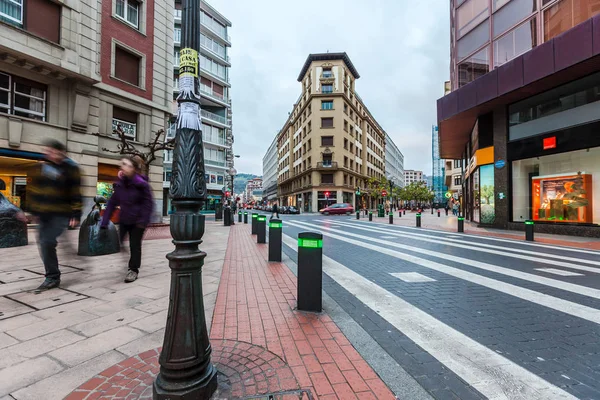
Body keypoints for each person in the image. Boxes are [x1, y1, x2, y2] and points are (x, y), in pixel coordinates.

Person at [27, 139, 82, 291]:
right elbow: (34, 190)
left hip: (61, 213)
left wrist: (76, 214)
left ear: (61, 152)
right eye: (46, 151)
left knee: (47, 242)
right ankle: (56, 268)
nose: (48, 154)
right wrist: (33, 211)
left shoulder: (71, 169)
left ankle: (52, 277)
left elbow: (75, 193)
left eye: (51, 151)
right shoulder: (43, 167)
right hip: (44, 213)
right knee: (44, 243)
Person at [101, 156, 154, 283]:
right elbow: (112, 203)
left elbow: (148, 204)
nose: (122, 167)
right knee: (119, 242)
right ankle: (131, 261)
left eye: (125, 164)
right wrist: (104, 221)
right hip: (124, 219)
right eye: (122, 164)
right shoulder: (120, 184)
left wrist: (143, 221)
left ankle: (133, 270)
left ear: (133, 168)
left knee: (135, 245)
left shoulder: (142, 185)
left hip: (138, 222)